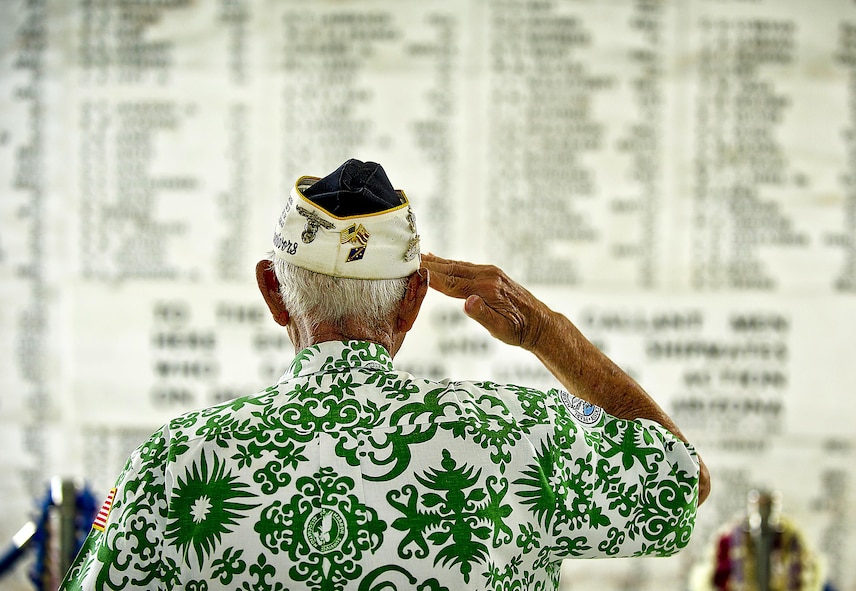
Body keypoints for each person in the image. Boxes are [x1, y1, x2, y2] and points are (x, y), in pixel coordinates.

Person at [60, 159, 710, 591]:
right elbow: (681, 479)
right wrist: (544, 330)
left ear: (273, 291)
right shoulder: (520, 435)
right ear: (413, 299)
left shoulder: (176, 459)